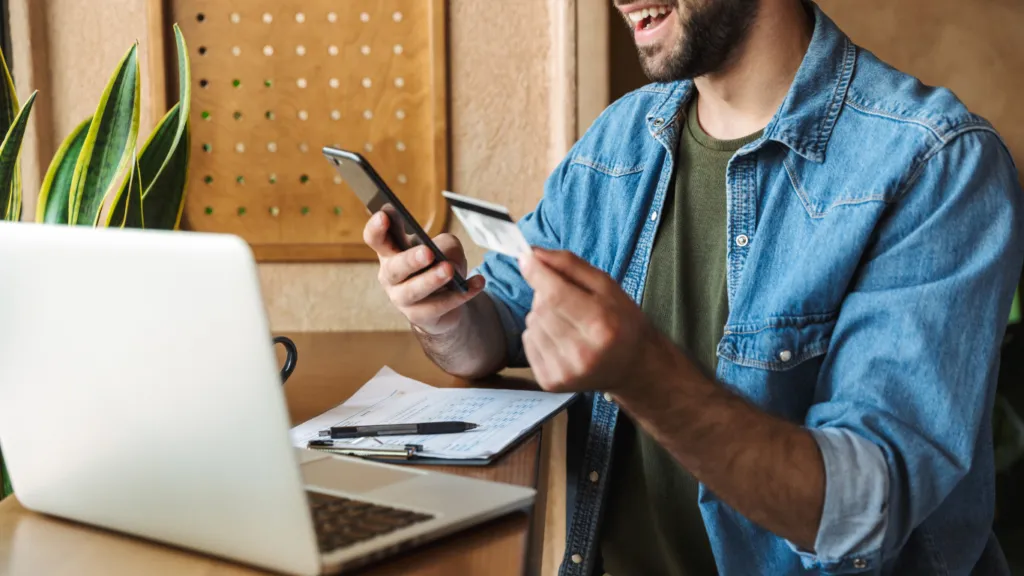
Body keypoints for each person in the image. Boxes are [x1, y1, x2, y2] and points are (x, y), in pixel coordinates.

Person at [363, 0, 1024, 573]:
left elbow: (864, 513)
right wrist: (446, 314)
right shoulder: (622, 137)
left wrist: (642, 371)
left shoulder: (938, 165)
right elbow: (500, 327)